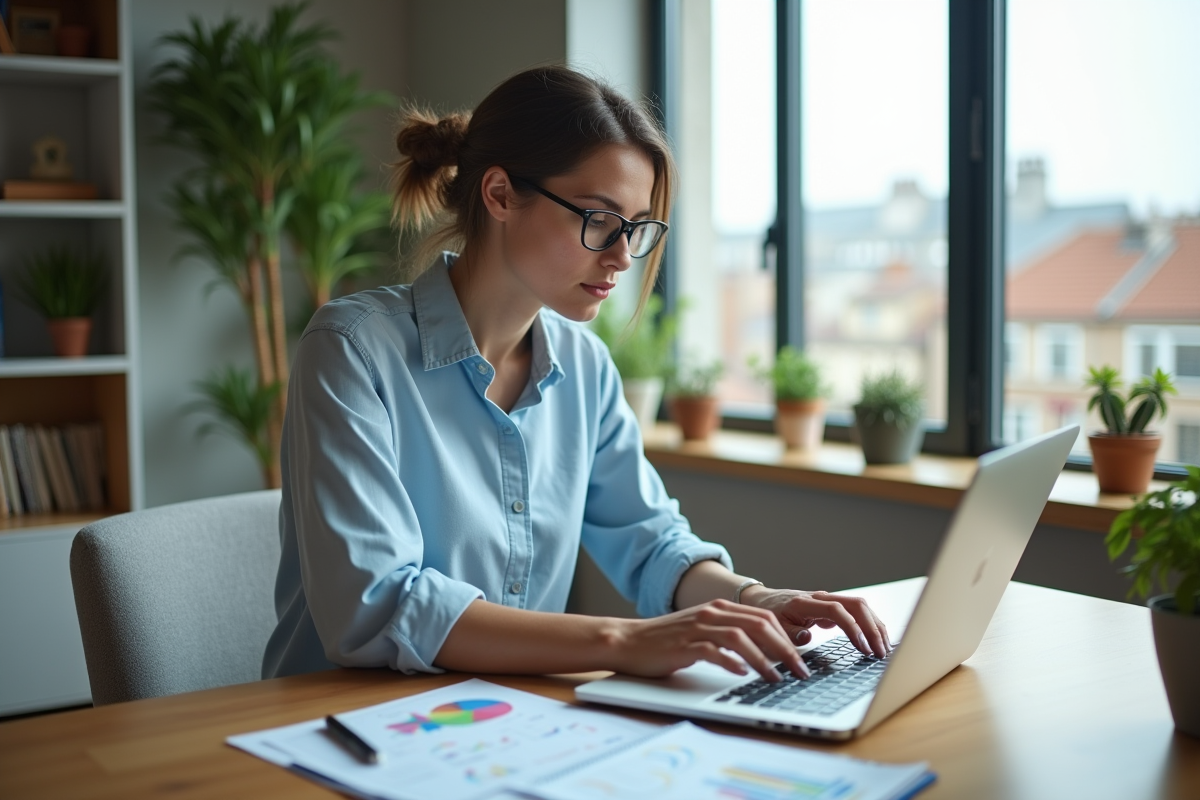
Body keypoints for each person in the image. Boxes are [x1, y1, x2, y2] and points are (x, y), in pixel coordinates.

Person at [262, 65, 891, 684]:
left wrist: (753, 597)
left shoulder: (584, 365)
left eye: (636, 228)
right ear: (501, 194)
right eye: (599, 220)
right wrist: (624, 640)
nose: (622, 256)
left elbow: (649, 541)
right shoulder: (352, 350)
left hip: (500, 725)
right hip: (333, 731)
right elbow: (378, 606)